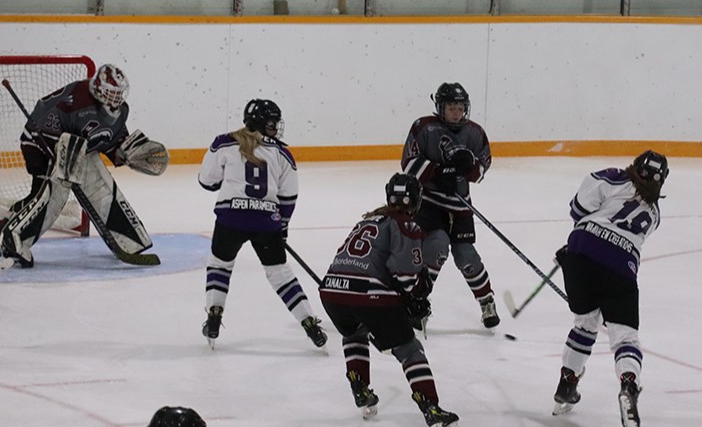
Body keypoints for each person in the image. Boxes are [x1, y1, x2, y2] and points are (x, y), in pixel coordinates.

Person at [0, 64, 168, 268]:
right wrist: (60, 151)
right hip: (37, 146)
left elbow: (110, 140)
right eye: (111, 93)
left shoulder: (120, 111)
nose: (116, 99)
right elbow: (41, 122)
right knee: (51, 194)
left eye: (119, 94)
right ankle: (15, 237)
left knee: (39, 197)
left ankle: (4, 235)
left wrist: (125, 153)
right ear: (99, 89)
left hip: (72, 149)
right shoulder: (77, 99)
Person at [319, 173, 459, 427]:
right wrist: (417, 296)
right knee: (409, 349)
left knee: (354, 333)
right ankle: (431, 407)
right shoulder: (406, 224)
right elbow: (406, 276)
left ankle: (359, 387)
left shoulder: (366, 220)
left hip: (331, 291)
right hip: (368, 294)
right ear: (416, 199)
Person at [551, 150, 669, 427]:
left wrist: (578, 244)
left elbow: (579, 208)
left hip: (580, 251)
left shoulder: (614, 177)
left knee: (586, 323)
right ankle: (628, 386)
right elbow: (620, 234)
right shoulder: (655, 214)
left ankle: (567, 385)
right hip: (621, 264)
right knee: (625, 337)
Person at [197, 98, 327, 350]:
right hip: (266, 222)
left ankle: (214, 314)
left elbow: (206, 181)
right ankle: (309, 322)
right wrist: (282, 228)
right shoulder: (282, 153)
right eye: (272, 122)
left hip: (230, 219)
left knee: (219, 266)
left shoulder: (223, 143)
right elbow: (288, 198)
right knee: (281, 275)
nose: (276, 127)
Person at [401, 82, 499, 329]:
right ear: (440, 108)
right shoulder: (424, 127)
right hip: (430, 203)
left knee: (466, 256)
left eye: (459, 107)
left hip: (460, 204)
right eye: (451, 108)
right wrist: (437, 172)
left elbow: (480, 172)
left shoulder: (475, 132)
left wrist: (469, 166)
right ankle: (418, 302)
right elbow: (409, 164)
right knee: (436, 248)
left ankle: (486, 300)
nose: (456, 112)